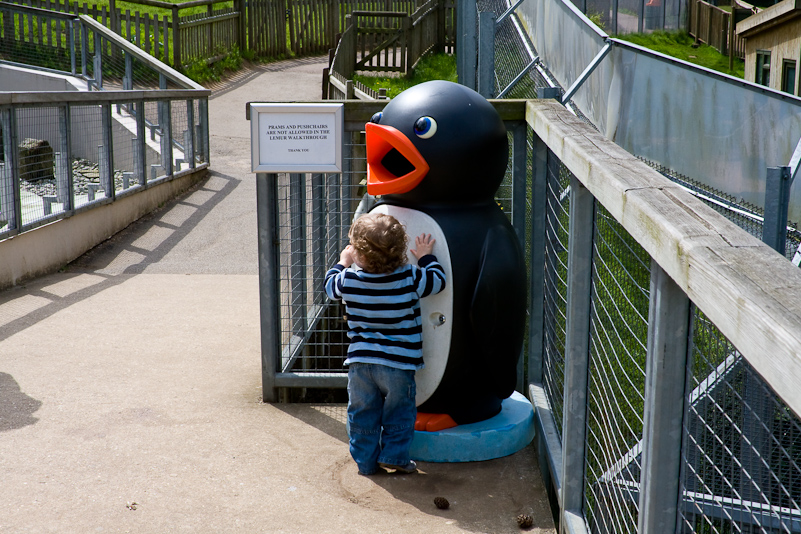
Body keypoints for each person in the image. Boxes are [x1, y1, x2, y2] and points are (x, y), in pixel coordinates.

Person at [324, 213, 446, 475]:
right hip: (399, 364)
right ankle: (394, 456)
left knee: (362, 414)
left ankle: (366, 463)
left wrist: (342, 262)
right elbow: (438, 281)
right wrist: (426, 256)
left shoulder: (348, 281)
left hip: (361, 363)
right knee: (400, 412)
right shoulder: (409, 277)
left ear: (360, 255)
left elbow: (329, 287)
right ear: (400, 251)